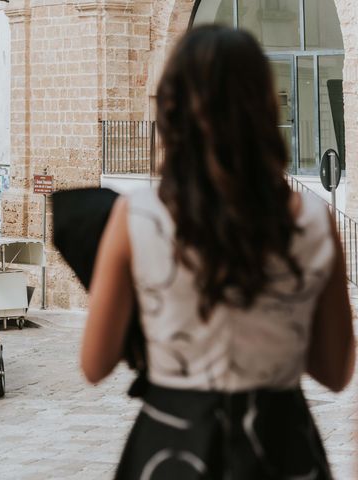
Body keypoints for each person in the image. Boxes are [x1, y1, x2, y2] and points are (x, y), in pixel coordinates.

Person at [81, 26, 355, 479]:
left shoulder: (136, 217)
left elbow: (94, 364)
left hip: (171, 446)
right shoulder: (312, 217)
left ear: (173, 108)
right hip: (280, 446)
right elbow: (335, 370)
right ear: (265, 107)